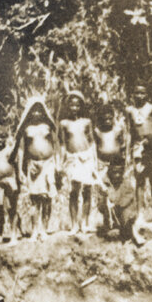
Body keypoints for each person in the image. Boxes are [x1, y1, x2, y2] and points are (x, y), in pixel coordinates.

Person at [14, 97, 57, 240]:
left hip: (48, 163)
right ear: (29, 112)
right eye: (34, 110)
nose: (37, 113)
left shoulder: (48, 126)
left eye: (40, 110)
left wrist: (57, 164)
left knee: (46, 198)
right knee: (34, 198)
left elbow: (55, 144)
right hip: (33, 165)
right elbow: (21, 150)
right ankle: (34, 230)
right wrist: (20, 170)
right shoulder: (26, 128)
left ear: (43, 111)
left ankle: (44, 229)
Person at [59, 90, 97, 233]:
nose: (74, 108)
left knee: (87, 190)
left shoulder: (87, 122)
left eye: (77, 106)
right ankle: (74, 224)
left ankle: (85, 223)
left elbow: (92, 141)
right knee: (74, 191)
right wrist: (61, 163)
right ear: (67, 106)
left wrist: (95, 160)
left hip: (87, 157)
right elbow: (63, 144)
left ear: (81, 107)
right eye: (71, 105)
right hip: (72, 158)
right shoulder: (63, 123)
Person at [125, 82, 152, 219]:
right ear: (133, 95)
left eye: (142, 93)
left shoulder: (151, 108)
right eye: (137, 93)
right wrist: (130, 150)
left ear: (147, 95)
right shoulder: (130, 110)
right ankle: (140, 212)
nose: (140, 95)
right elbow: (129, 130)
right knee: (139, 179)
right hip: (138, 146)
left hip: (151, 147)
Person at [99, 157, 146, 246]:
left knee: (128, 212)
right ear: (110, 170)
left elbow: (128, 198)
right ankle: (112, 229)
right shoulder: (104, 183)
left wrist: (116, 203)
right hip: (110, 214)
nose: (117, 175)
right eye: (114, 172)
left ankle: (129, 232)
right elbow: (100, 206)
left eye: (119, 172)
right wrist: (105, 197)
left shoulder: (126, 182)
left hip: (122, 213)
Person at [0, 123, 20, 243]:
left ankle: (14, 234)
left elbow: (16, 164)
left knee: (12, 207)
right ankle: (1, 235)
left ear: (6, 137)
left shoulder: (9, 149)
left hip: (10, 180)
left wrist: (18, 179)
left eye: (2, 137)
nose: (0, 140)